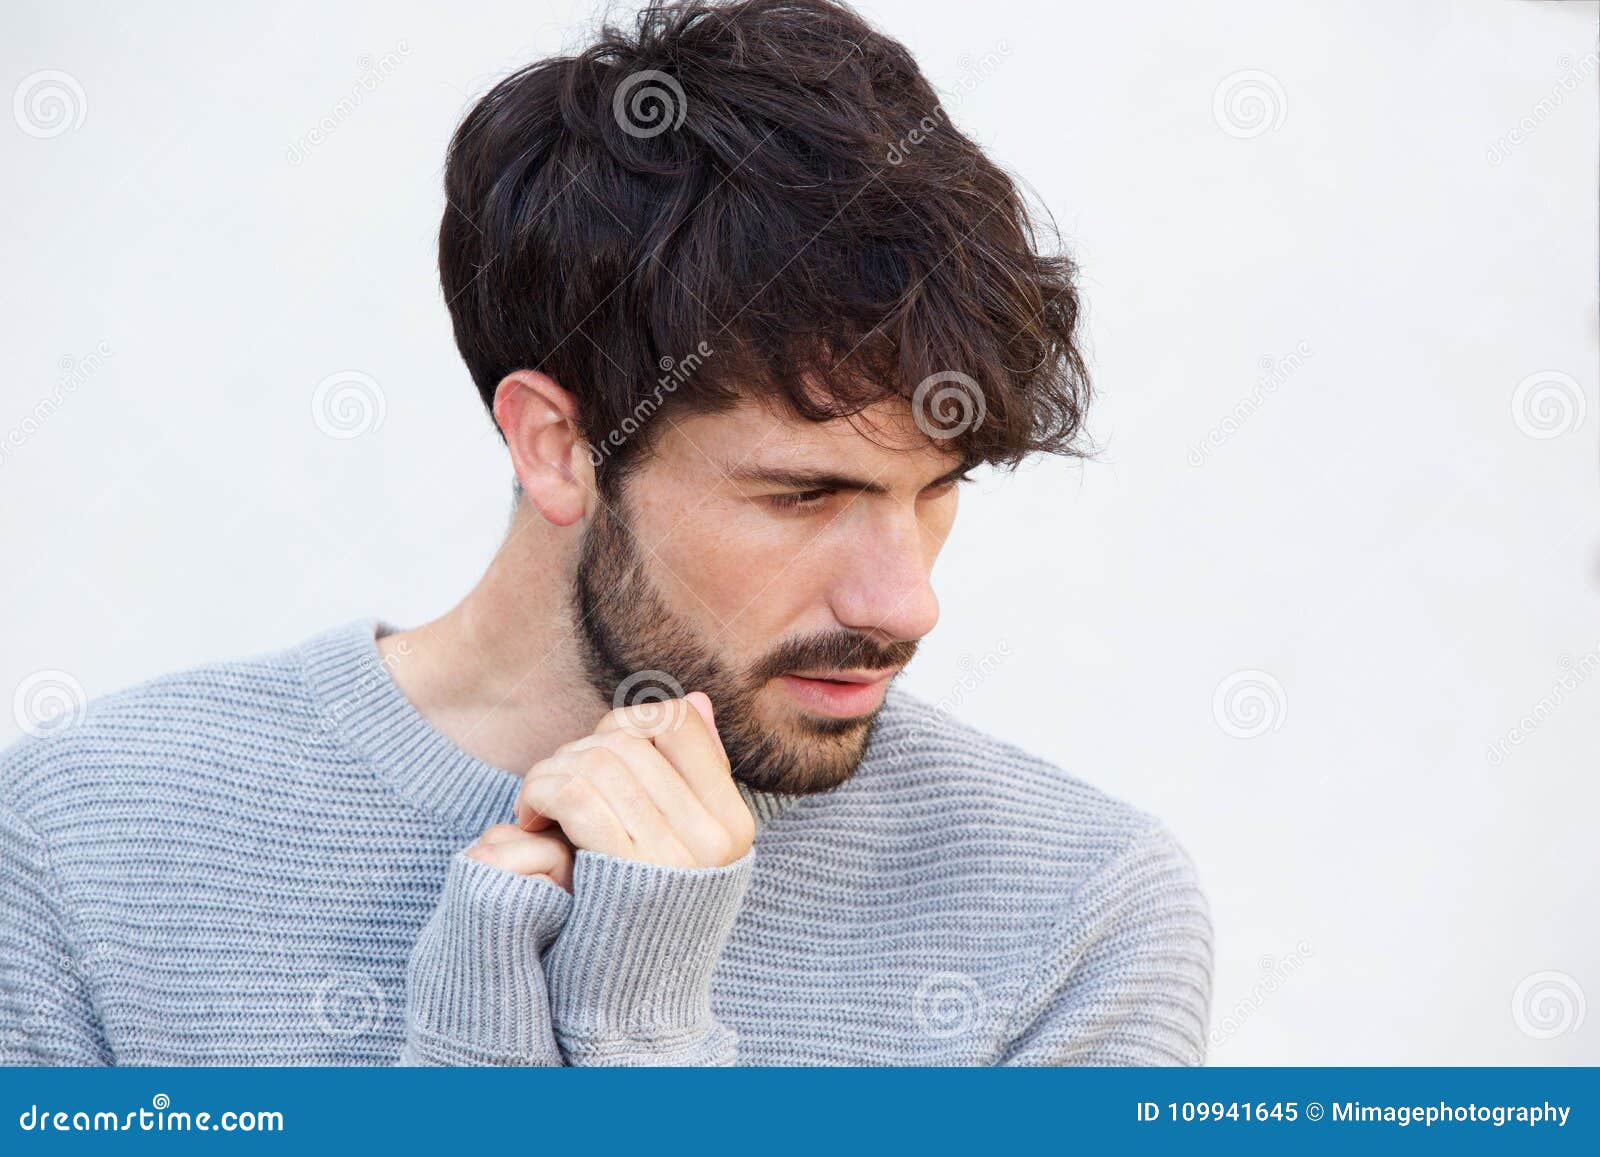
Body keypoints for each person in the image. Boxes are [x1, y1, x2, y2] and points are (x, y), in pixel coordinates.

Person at [0, 0, 1211, 1066]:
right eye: (804, 495)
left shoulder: (1075, 911)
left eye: (935, 487)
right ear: (555, 445)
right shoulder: (90, 840)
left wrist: (641, 1035)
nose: (905, 605)